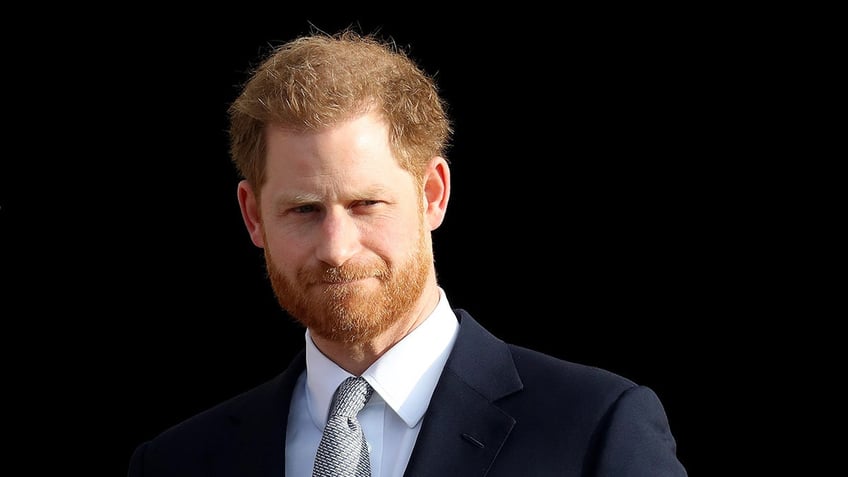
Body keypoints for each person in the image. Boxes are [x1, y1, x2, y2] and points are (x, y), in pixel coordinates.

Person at [127, 29, 688, 476]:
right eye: (304, 210)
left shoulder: (593, 428)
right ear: (253, 216)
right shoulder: (178, 462)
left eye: (367, 203)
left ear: (432, 194)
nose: (337, 250)